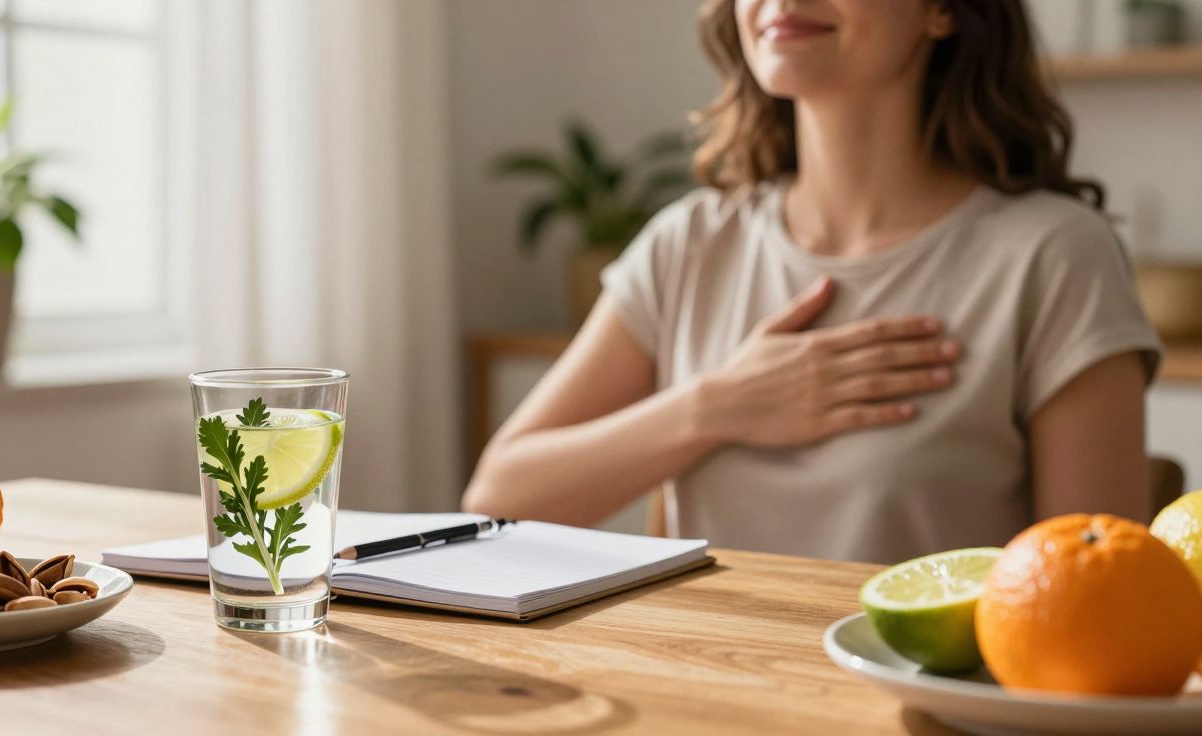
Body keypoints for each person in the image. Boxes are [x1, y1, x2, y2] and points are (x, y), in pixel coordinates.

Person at [461, 0, 1161, 564]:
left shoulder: (1056, 256)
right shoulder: (691, 243)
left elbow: (1093, 605)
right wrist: (716, 407)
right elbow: (497, 497)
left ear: (942, 12)